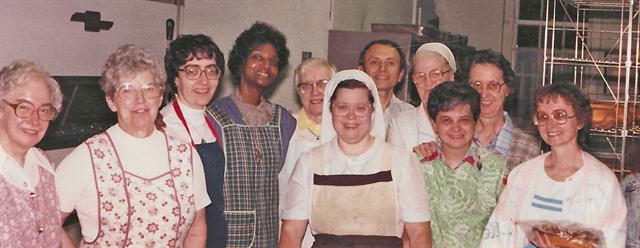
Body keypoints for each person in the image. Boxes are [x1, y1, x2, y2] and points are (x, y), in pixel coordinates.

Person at [56, 44, 209, 247]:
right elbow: (45, 222)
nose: (140, 100)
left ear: (161, 96)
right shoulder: (87, 158)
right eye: (127, 90)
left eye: (149, 88)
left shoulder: (185, 156)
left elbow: (197, 230)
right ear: (111, 100)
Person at [280, 70, 432, 248]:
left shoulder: (401, 161)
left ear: (372, 111)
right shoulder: (309, 163)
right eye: (342, 107)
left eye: (360, 108)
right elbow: (291, 233)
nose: (351, 116)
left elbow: (419, 235)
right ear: (331, 110)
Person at [480, 83, 627, 247]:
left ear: (580, 120)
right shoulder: (522, 175)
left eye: (560, 115)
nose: (550, 125)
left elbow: (614, 242)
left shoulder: (602, 182)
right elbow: (495, 238)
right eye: (543, 116)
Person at [206, 21, 296, 247]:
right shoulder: (213, 117)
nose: (266, 66)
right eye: (257, 57)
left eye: (273, 61)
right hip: (226, 236)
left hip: (269, 236)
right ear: (241, 62)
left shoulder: (284, 121)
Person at [159, 34, 227, 247]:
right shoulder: (164, 126)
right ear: (175, 79)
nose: (203, 80)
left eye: (211, 70)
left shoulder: (214, 121)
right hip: (182, 236)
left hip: (214, 228)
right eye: (192, 71)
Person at [419, 81, 506, 247]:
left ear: (474, 121)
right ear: (433, 123)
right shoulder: (417, 164)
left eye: (464, 120)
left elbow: (507, 229)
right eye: (446, 120)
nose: (456, 128)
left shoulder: (495, 167)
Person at [0, 60, 63, 247]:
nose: (34, 120)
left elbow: (52, 229)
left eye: (43, 110)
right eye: (24, 107)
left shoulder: (44, 163)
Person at [279, 58, 337, 247]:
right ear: (298, 91)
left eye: (323, 83)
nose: (315, 92)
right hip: (292, 235)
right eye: (306, 85)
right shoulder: (285, 128)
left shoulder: (347, 131)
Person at [466, 50, 540, 171]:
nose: (483, 94)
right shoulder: (457, 136)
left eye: (493, 85)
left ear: (508, 89)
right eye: (477, 85)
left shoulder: (526, 148)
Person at [387, 42, 456, 150]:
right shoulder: (401, 123)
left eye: (435, 74)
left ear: (451, 77)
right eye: (420, 76)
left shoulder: (467, 119)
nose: (428, 83)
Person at [358, 39, 415, 128]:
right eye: (375, 62)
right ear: (361, 71)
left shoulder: (410, 114)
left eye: (390, 63)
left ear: (400, 74)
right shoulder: (349, 113)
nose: (382, 68)